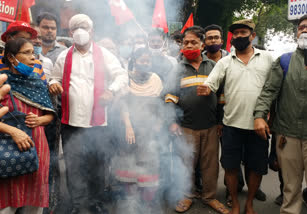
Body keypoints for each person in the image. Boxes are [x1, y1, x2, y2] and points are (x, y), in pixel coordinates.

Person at [49, 14, 128, 214]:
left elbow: (121, 75)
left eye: (84, 26)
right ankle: (78, 205)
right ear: (70, 32)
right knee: (74, 166)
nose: (80, 30)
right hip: (71, 122)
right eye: (75, 27)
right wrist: (53, 84)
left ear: (92, 31)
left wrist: (111, 90)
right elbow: (54, 78)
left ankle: (96, 202)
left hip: (99, 123)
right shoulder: (64, 56)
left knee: (98, 166)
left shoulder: (105, 54)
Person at [198, 19, 273, 214]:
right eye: (236, 33)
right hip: (231, 124)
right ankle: (235, 202)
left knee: (256, 167)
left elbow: (275, 88)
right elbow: (211, 83)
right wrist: (206, 88)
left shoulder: (267, 58)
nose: (239, 36)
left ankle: (249, 203)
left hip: (259, 125)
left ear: (252, 35)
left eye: (243, 32)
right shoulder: (224, 62)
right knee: (230, 167)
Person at [254, 13, 307, 214]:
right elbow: (269, 91)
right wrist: (259, 115)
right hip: (287, 135)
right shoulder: (284, 61)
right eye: (301, 28)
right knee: (290, 189)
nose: (305, 31)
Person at [165, 26, 229, 214]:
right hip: (186, 127)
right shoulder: (176, 69)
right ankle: (187, 196)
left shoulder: (214, 66)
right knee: (186, 163)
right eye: (186, 42)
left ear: (202, 44)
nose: (189, 45)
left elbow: (221, 96)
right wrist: (172, 120)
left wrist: (219, 121)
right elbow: (169, 96)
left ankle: (210, 197)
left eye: (194, 42)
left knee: (210, 165)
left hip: (210, 126)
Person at [0, 38, 55, 214]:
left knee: (34, 202)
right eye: (26, 53)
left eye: (33, 52)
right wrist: (14, 131)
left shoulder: (38, 83)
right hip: (9, 147)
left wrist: (40, 120)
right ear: (11, 57)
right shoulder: (2, 84)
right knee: (8, 201)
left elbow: (50, 115)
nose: (33, 58)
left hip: (38, 146)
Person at [113, 47, 164, 213]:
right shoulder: (126, 79)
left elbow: (160, 105)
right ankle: (130, 203)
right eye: (142, 60)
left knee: (149, 165)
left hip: (149, 131)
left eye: (148, 61)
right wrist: (128, 126)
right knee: (129, 165)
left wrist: (158, 124)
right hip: (129, 130)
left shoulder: (156, 79)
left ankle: (146, 203)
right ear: (134, 61)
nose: (146, 63)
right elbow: (123, 105)